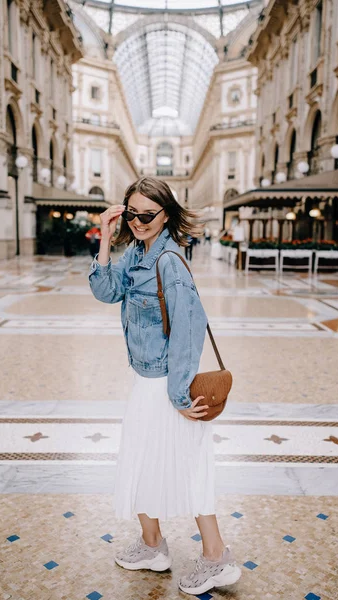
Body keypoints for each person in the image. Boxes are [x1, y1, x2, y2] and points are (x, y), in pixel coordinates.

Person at [88, 177, 241, 596]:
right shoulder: (136, 253)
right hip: (146, 380)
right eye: (132, 213)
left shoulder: (169, 263)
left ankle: (215, 558)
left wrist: (177, 397)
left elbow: (188, 333)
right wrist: (105, 236)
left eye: (148, 214)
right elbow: (106, 291)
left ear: (167, 214)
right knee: (141, 462)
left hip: (165, 386)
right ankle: (154, 546)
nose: (138, 221)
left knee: (188, 468)